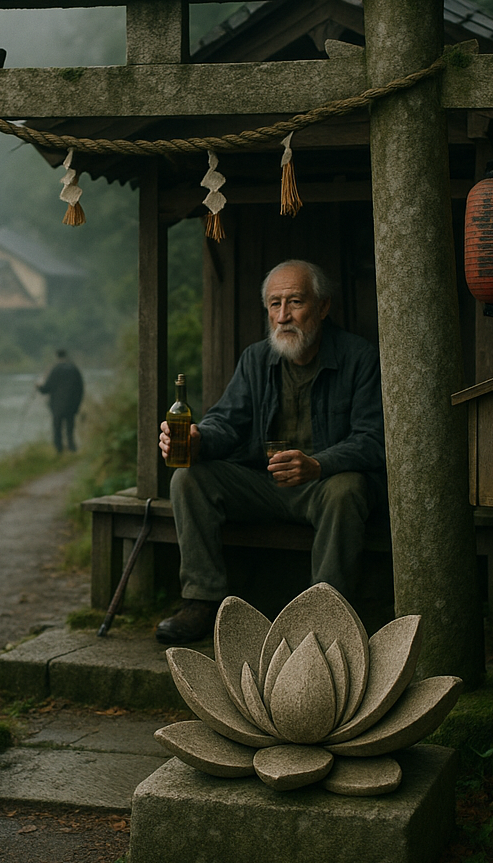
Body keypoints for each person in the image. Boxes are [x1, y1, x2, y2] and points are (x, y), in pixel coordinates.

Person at [156, 259, 386, 645]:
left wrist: (317, 464)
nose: (283, 316)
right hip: (264, 484)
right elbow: (226, 422)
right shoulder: (256, 359)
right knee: (189, 476)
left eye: (295, 302)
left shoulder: (359, 358)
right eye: (274, 305)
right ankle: (201, 600)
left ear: (323, 307)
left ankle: (325, 619)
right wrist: (200, 440)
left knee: (348, 488)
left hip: (323, 485)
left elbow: (373, 438)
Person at [36, 349, 84, 453]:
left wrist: (38, 386)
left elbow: (46, 388)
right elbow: (81, 388)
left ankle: (59, 450)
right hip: (72, 405)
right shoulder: (74, 369)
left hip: (57, 405)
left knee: (57, 428)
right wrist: (77, 404)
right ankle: (72, 447)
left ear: (57, 356)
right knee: (70, 427)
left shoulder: (55, 370)